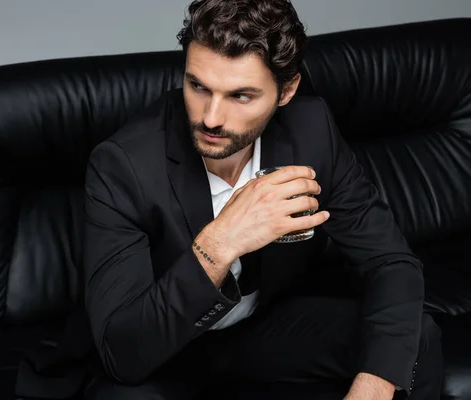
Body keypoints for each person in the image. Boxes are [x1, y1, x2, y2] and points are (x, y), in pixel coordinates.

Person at [81, 0, 443, 399]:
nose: (211, 118)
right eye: (198, 86)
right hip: (167, 347)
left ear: (286, 91)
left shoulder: (311, 128)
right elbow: (124, 353)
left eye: (241, 96)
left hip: (261, 330)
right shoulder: (124, 164)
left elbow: (391, 262)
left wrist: (373, 387)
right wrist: (220, 243)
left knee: (412, 343)